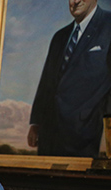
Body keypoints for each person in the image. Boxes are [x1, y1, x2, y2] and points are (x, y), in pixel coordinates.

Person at [28, 0, 111, 157]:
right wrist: (36, 123)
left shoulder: (108, 25)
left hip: (85, 131)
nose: (76, 1)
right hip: (49, 132)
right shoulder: (60, 36)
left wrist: (106, 120)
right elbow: (46, 81)